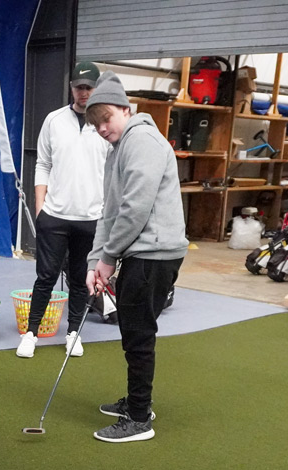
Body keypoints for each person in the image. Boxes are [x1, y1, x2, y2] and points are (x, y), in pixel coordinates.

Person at [84, 71, 188, 442]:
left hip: (155, 254)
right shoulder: (118, 150)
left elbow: (135, 209)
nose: (101, 128)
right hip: (141, 252)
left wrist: (109, 257)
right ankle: (136, 401)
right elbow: (109, 211)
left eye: (106, 118)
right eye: (94, 123)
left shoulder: (142, 140)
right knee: (132, 328)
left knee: (139, 332)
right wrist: (95, 261)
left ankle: (140, 419)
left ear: (126, 110)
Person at [16, 61, 111, 359]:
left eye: (89, 88)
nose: (83, 93)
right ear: (71, 89)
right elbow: (42, 163)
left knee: (82, 277)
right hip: (54, 217)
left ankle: (73, 333)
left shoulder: (106, 125)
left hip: (91, 218)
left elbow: (114, 170)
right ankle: (31, 333)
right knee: (45, 276)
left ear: (97, 90)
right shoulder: (54, 120)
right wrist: (40, 207)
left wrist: (107, 211)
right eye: (79, 87)